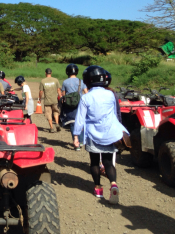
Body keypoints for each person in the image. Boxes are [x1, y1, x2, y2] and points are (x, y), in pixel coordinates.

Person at [73, 65, 127, 204]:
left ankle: (98, 188)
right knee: (108, 162)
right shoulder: (110, 94)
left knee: (95, 162)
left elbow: (80, 119)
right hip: (110, 133)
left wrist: (76, 136)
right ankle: (113, 184)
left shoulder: (86, 97)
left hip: (93, 134)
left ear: (88, 80)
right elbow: (115, 114)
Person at [61, 64, 88, 151]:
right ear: (76, 71)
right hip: (80, 105)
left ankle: (76, 144)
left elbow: (63, 95)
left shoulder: (65, 82)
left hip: (69, 106)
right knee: (81, 122)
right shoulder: (81, 82)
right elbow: (86, 93)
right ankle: (80, 141)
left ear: (67, 72)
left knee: (73, 123)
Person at [39, 68, 62, 133]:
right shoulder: (55, 80)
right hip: (55, 100)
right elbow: (58, 90)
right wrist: (60, 97)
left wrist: (39, 99)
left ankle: (51, 128)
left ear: (45, 73)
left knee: (48, 113)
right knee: (56, 112)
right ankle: (57, 123)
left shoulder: (43, 81)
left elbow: (41, 91)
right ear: (51, 73)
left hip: (47, 101)